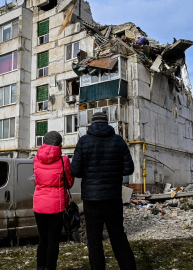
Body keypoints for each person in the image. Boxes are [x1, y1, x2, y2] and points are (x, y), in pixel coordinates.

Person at [70, 112, 136, 270]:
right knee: (118, 235)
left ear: (92, 124)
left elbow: (75, 170)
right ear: (108, 123)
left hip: (92, 199)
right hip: (113, 197)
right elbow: (129, 168)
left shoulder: (83, 141)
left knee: (94, 239)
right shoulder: (119, 141)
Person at [33, 131, 74, 270]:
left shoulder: (36, 159)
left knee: (42, 239)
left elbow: (38, 179)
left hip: (39, 205)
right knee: (53, 241)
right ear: (59, 143)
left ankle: (40, 267)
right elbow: (69, 183)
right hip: (57, 206)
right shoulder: (64, 160)